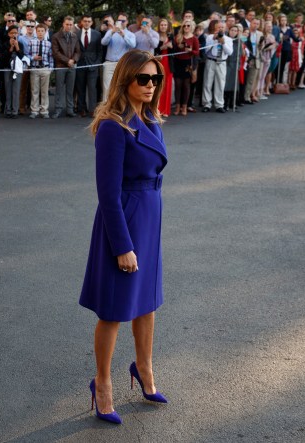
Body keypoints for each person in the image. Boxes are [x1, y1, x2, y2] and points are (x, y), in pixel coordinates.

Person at [81, 49, 169, 425]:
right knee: (114, 310)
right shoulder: (112, 127)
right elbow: (108, 194)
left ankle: (144, 369)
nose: (150, 85)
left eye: (155, 79)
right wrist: (123, 245)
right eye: (143, 79)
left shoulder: (150, 119)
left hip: (149, 218)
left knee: (147, 304)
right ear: (125, 80)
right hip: (125, 222)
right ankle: (102, 383)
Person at [101, 12, 137, 101]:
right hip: (109, 63)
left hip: (122, 64)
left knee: (121, 88)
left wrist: (123, 35)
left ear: (127, 22)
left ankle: (120, 107)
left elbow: (133, 45)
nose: (120, 22)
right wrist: (112, 32)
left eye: (123, 21)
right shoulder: (111, 31)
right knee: (107, 88)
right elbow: (103, 42)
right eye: (119, 20)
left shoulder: (130, 34)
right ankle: (106, 108)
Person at [51, 15, 80, 118]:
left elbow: (77, 51)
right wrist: (68, 61)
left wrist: (74, 60)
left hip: (72, 67)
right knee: (59, 89)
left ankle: (70, 110)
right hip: (60, 66)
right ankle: (58, 109)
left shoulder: (75, 36)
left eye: (71, 25)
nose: (69, 26)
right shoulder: (56, 36)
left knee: (70, 89)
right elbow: (56, 53)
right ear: (63, 24)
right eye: (67, 24)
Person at [201, 20, 233, 113]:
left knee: (220, 84)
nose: (220, 29)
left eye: (222, 27)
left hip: (221, 62)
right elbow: (206, 50)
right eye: (219, 27)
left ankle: (219, 105)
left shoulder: (228, 39)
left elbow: (229, 52)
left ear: (225, 28)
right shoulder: (210, 37)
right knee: (207, 83)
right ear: (215, 28)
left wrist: (223, 43)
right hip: (211, 61)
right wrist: (213, 40)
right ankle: (206, 104)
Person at [76, 14, 102, 118]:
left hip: (93, 65)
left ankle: (92, 110)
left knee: (92, 88)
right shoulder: (76, 34)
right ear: (81, 22)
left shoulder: (97, 34)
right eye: (85, 21)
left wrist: (96, 63)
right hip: (80, 64)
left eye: (89, 21)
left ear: (91, 23)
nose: (87, 23)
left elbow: (99, 51)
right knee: (80, 88)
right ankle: (82, 109)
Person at [172, 19, 199, 116]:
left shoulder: (194, 38)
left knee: (186, 85)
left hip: (188, 63)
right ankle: (177, 106)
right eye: (184, 25)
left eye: (188, 25)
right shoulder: (178, 37)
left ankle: (184, 106)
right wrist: (178, 46)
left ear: (191, 27)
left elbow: (197, 52)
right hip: (178, 62)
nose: (186, 27)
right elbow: (173, 50)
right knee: (177, 85)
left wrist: (190, 51)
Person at [27, 23, 53, 119]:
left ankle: (44, 110)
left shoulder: (48, 43)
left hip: (45, 68)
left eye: (42, 31)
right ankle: (34, 110)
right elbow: (27, 55)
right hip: (35, 68)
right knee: (34, 90)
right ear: (36, 32)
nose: (40, 33)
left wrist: (50, 69)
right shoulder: (31, 42)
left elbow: (50, 57)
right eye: (38, 31)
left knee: (44, 91)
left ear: (45, 32)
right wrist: (33, 58)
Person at [0, 25, 24, 119]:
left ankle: (15, 111)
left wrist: (17, 47)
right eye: (12, 33)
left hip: (17, 70)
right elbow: (3, 58)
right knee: (8, 90)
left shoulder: (20, 44)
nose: (14, 35)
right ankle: (8, 110)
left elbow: (21, 56)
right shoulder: (4, 44)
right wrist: (10, 48)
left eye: (15, 33)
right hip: (7, 69)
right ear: (8, 34)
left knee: (16, 90)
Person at [154, 18, 173, 117]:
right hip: (159, 62)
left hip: (168, 63)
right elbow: (154, 50)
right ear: (159, 26)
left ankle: (165, 110)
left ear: (168, 26)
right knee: (158, 85)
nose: (163, 27)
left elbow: (175, 50)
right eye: (161, 25)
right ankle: (157, 109)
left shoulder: (171, 36)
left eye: (165, 25)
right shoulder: (155, 36)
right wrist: (162, 48)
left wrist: (171, 46)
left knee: (167, 85)